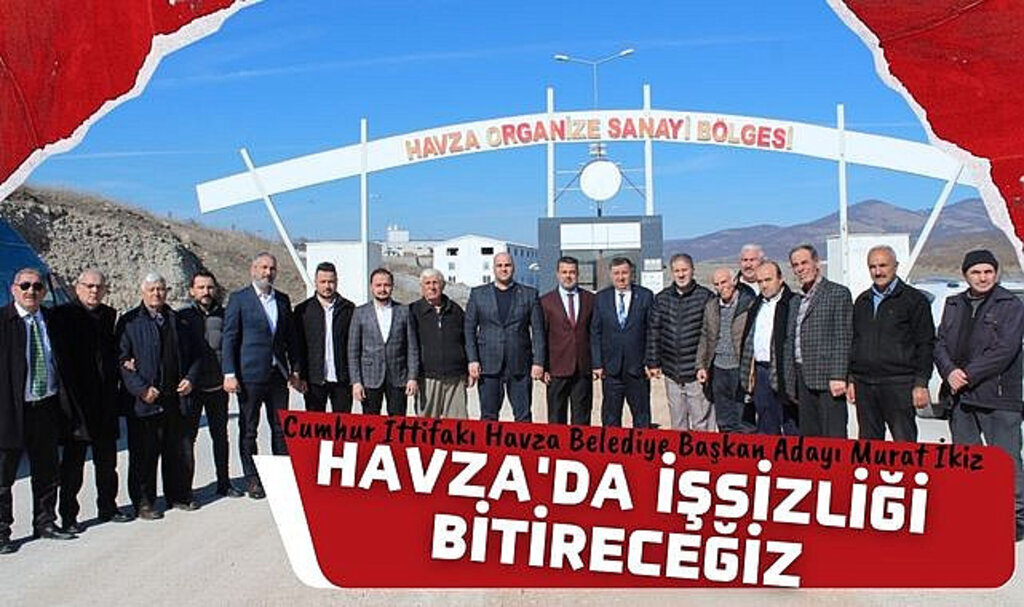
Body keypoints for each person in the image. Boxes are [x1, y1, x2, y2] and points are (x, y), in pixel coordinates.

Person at [935, 249, 1024, 541]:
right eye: (976, 272)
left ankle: (1016, 516)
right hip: (960, 397)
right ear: (965, 275)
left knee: (1005, 460)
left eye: (988, 271)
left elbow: (1005, 350)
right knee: (967, 459)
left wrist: (967, 374)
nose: (982, 277)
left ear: (996, 273)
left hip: (997, 395)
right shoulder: (954, 303)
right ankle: (973, 513)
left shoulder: (1010, 305)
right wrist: (949, 371)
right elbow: (940, 343)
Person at [1, 268, 79, 553]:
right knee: (3, 475)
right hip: (9, 409)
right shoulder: (3, 322)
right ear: (13, 289)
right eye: (25, 286)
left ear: (44, 291)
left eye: (37, 286)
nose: (31, 291)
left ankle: (45, 522)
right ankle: (1, 532)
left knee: (47, 470)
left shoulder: (53, 321)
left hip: (45, 406)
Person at [117, 272, 201, 519]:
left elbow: (196, 355)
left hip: (175, 398)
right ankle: (144, 502)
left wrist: (190, 379)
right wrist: (141, 389)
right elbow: (121, 360)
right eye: (152, 289)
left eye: (161, 289)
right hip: (145, 401)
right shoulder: (130, 322)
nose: (157, 293)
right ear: (142, 292)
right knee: (144, 454)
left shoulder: (177, 320)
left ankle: (179, 495)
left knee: (178, 452)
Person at [56, 269, 132, 532]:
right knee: (73, 464)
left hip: (105, 400)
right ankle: (69, 516)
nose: (94, 291)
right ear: (77, 288)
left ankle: (108, 507)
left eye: (99, 287)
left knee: (107, 461)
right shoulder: (63, 315)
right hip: (77, 403)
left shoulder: (109, 315)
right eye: (88, 286)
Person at [222, 252, 302, 500]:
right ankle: (253, 478)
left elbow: (290, 338)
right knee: (249, 429)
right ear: (253, 269)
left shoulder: (282, 300)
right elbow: (230, 338)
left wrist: (295, 369)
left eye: (272, 268)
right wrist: (229, 373)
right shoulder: (239, 299)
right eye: (264, 267)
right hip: (250, 376)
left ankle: (280, 477)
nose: (268, 272)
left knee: (280, 428)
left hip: (277, 375)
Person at [849, 246, 934, 442]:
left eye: (883, 265)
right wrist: (851, 378)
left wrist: (921, 383)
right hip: (865, 384)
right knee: (869, 445)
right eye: (872, 267)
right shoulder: (862, 301)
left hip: (899, 384)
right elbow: (855, 341)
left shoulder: (914, 300)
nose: (878, 271)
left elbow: (925, 343)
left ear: (895, 266)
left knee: (904, 442)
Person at [177, 270, 242, 498]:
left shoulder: (225, 315)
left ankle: (224, 483)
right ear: (192, 291)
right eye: (201, 287)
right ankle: (186, 490)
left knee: (220, 437)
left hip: (217, 387)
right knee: (188, 439)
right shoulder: (182, 317)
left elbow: (234, 346)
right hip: (192, 388)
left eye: (210, 287)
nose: (206, 292)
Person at [464, 252, 545, 422]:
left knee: (523, 417)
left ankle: (521, 442)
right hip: (488, 365)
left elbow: (538, 331)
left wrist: (538, 362)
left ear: (513, 268)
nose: (503, 269)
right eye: (499, 265)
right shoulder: (478, 294)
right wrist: (472, 360)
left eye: (507, 265)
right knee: (488, 416)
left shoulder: (529, 294)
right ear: (493, 269)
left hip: (520, 365)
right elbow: (469, 330)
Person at [784, 244, 853, 438]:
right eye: (796, 265)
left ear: (817, 263)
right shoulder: (796, 300)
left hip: (828, 378)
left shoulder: (837, 293)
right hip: (803, 377)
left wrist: (839, 375)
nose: (800, 269)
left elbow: (843, 336)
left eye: (804, 263)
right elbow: (792, 340)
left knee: (833, 435)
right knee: (810, 435)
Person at [647, 253, 715, 430]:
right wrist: (653, 362)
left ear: (693, 270)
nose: (681, 274)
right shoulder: (661, 298)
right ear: (672, 273)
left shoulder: (706, 297)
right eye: (677, 271)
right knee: (678, 423)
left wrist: (705, 365)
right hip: (672, 372)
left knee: (701, 422)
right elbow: (654, 331)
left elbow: (711, 334)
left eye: (684, 270)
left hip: (696, 372)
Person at [591, 257, 654, 428]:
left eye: (624, 273)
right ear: (611, 275)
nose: (621, 277)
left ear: (631, 273)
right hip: (611, 369)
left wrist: (650, 362)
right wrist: (597, 363)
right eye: (616, 273)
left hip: (638, 369)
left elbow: (652, 331)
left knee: (642, 418)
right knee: (611, 418)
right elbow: (595, 332)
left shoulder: (645, 296)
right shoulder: (601, 298)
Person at [738, 261, 799, 435]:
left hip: (784, 370)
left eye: (768, 280)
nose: (764, 285)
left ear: (780, 279)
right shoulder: (756, 305)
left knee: (791, 421)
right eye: (760, 281)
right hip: (761, 371)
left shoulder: (793, 303)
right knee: (766, 421)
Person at [348, 268, 419, 415]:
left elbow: (412, 348)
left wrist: (412, 377)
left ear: (392, 286)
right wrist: (356, 382)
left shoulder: (404, 311)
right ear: (371, 287)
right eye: (378, 285)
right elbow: (353, 351)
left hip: (398, 377)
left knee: (398, 421)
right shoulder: (360, 313)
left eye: (386, 285)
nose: (382, 289)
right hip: (369, 378)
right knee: (371, 423)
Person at [696, 267, 755, 433]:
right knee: (723, 418)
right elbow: (705, 336)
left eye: (724, 282)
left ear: (734, 281)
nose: (721, 287)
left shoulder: (748, 304)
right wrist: (701, 365)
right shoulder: (711, 306)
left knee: (744, 418)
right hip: (718, 368)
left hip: (740, 368)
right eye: (716, 284)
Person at [294, 262, 356, 413]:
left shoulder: (349, 309)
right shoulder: (303, 310)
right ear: (315, 282)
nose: (327, 286)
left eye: (331, 282)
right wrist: (300, 375)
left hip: (342, 380)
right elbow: (298, 346)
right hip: (314, 380)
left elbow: (354, 345)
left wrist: (355, 379)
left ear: (337, 282)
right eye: (323, 282)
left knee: (342, 424)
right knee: (315, 424)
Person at [540, 256, 594, 425]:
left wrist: (596, 363)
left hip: (583, 368)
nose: (568, 276)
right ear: (557, 274)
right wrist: (543, 366)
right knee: (556, 419)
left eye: (572, 272)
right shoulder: (546, 301)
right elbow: (541, 336)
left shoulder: (590, 299)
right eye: (564, 272)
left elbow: (594, 334)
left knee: (582, 419)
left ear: (578, 274)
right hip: (556, 369)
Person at [410, 268, 468, 419]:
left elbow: (466, 340)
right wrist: (412, 375)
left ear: (442, 286)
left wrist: (468, 367)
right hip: (427, 376)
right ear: (421, 287)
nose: (432, 287)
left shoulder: (456, 310)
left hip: (455, 377)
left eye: (435, 283)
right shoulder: (413, 311)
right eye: (427, 283)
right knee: (426, 423)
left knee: (458, 423)